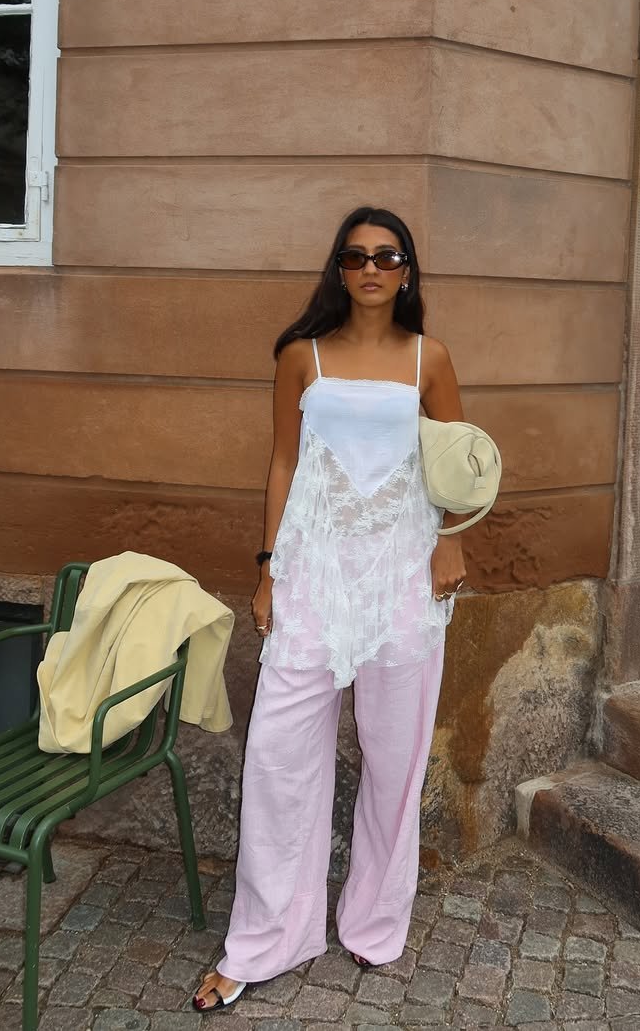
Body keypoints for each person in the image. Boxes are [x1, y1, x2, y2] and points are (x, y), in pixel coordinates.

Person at [193, 205, 471, 1011]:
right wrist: (269, 567)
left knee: (394, 762)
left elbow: (458, 464)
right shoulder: (300, 356)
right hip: (314, 571)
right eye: (355, 257)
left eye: (387, 256)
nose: (371, 268)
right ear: (338, 270)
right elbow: (283, 459)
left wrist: (452, 541)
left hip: (402, 579)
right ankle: (267, 937)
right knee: (278, 756)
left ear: (407, 269)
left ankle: (374, 921)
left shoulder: (431, 358)